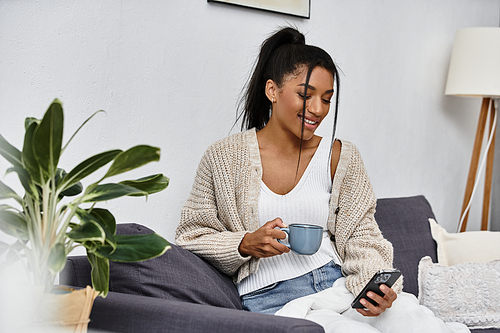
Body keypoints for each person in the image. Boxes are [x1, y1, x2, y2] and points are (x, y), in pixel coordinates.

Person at [175, 27, 470, 332]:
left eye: (327, 99)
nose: (318, 110)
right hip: (276, 301)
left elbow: (361, 235)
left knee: (417, 320)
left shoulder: (340, 156)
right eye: (305, 95)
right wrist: (245, 243)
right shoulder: (223, 158)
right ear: (272, 90)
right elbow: (191, 235)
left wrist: (374, 285)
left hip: (339, 286)